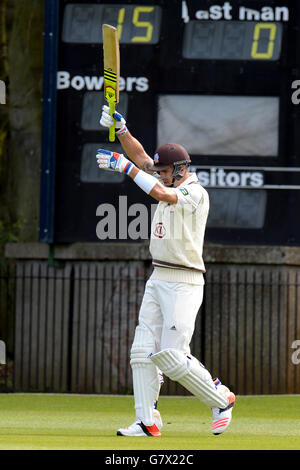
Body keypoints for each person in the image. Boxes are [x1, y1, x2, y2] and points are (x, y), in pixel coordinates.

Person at [96, 106, 235, 437]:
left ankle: (222, 399)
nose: (159, 174)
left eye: (165, 170)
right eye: (159, 170)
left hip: (185, 282)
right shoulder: (167, 175)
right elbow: (143, 157)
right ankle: (147, 421)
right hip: (158, 277)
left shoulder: (195, 193)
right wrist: (122, 130)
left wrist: (125, 168)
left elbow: (159, 191)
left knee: (172, 357)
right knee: (141, 352)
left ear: (182, 169)